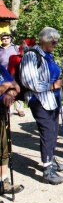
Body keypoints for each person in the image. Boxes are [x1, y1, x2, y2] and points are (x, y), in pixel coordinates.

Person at [20, 27, 63, 184]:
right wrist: (53, 86)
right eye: (53, 41)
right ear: (44, 40)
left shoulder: (48, 56)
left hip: (52, 100)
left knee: (53, 132)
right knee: (47, 132)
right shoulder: (31, 55)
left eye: (57, 41)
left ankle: (51, 160)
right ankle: (47, 171)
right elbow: (29, 81)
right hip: (39, 101)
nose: (56, 43)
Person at [0, 64, 24, 193]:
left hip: (2, 112)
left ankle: (3, 181)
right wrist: (7, 86)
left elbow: (17, 88)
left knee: (4, 148)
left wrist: (9, 92)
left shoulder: (1, 68)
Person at [0, 32, 24, 117]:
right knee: (6, 91)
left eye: (7, 38)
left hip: (16, 72)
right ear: (1, 40)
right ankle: (9, 109)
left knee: (16, 88)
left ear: (10, 39)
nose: (5, 39)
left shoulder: (15, 48)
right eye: (3, 38)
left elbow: (21, 57)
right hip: (3, 72)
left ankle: (20, 109)